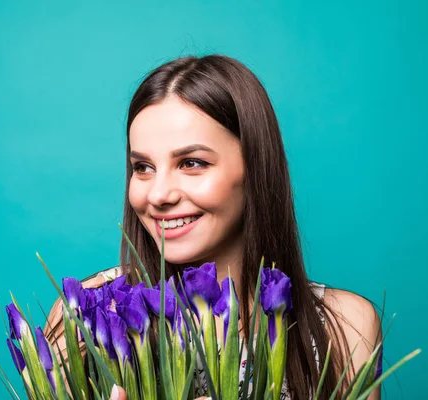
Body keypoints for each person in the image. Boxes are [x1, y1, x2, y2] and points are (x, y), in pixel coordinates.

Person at [44, 55, 382, 399]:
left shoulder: (345, 326)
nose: (158, 194)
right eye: (143, 167)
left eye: (192, 163)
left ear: (254, 170)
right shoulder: (85, 315)